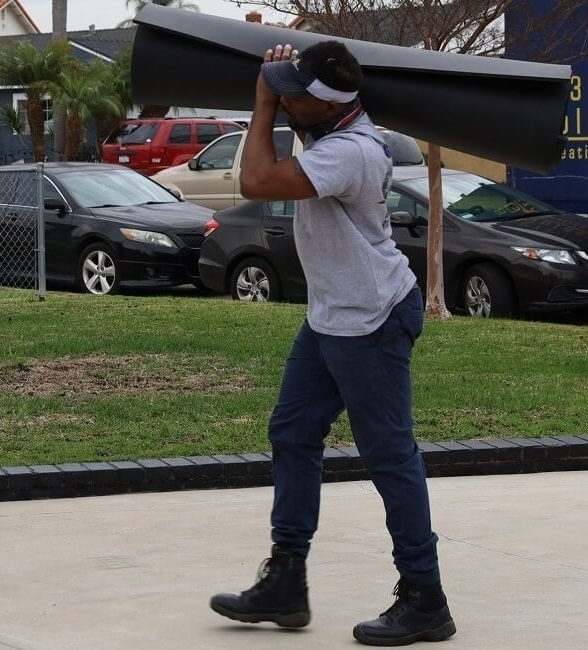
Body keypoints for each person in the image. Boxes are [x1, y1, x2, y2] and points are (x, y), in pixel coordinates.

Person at [210, 40, 456, 647]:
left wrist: (264, 102)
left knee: (390, 455)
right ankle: (286, 581)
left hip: (370, 316)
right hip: (332, 314)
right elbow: (300, 130)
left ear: (324, 107)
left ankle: (426, 598)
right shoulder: (326, 128)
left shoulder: (353, 151)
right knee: (292, 432)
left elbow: (256, 179)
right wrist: (290, 78)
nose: (286, 96)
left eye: (296, 94)